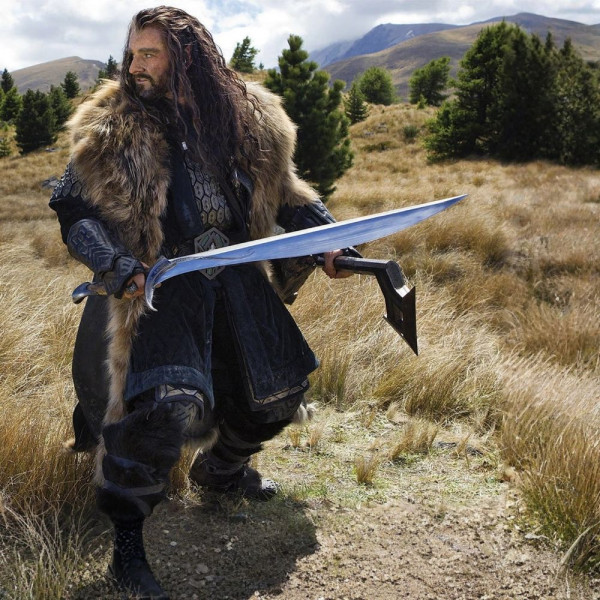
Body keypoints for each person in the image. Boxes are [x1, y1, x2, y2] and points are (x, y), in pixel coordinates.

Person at [49, 6, 355, 599]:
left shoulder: (247, 119)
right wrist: (114, 263)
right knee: (160, 412)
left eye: (149, 54)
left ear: (186, 58)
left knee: (278, 393)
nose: (134, 66)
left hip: (236, 280)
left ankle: (222, 473)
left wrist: (329, 241)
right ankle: (128, 551)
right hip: (160, 284)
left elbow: (286, 195)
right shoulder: (112, 124)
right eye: (132, 54)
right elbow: (75, 210)